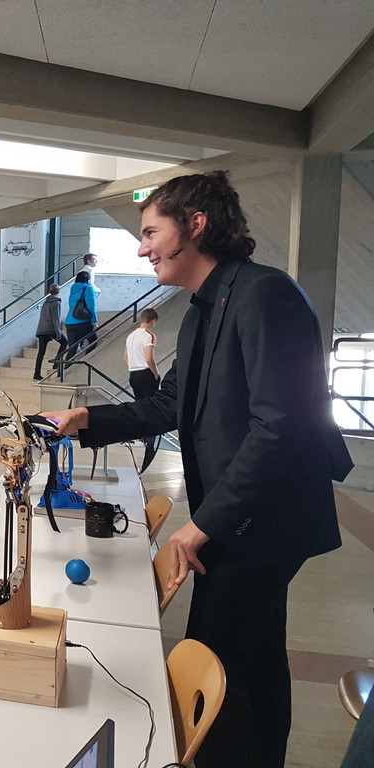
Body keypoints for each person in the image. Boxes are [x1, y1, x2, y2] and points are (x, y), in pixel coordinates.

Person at [42, 171, 352, 768]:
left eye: (150, 232)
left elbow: (278, 427)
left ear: (196, 225)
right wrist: (82, 419)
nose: (142, 248)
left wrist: (201, 525)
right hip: (238, 521)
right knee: (254, 657)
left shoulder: (265, 294)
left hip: (264, 524)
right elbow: (167, 405)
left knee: (218, 652)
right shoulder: (204, 309)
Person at [33, 283, 67, 379]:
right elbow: (55, 318)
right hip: (50, 329)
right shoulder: (56, 303)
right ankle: (56, 362)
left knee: (41, 352)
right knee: (64, 343)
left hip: (41, 329)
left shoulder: (46, 302)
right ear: (58, 291)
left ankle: (36, 373)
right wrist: (58, 332)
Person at [124, 307, 159, 399]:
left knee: (139, 403)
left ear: (141, 319)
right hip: (146, 374)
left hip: (133, 375)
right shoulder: (149, 336)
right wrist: (156, 374)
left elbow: (125, 357)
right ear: (153, 320)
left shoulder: (131, 336)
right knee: (151, 403)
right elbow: (149, 359)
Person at [64, 270, 98, 359]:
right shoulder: (88, 289)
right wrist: (94, 322)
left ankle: (65, 367)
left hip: (69, 322)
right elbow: (91, 307)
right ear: (88, 280)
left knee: (72, 349)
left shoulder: (73, 290)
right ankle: (84, 362)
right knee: (94, 341)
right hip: (82, 321)